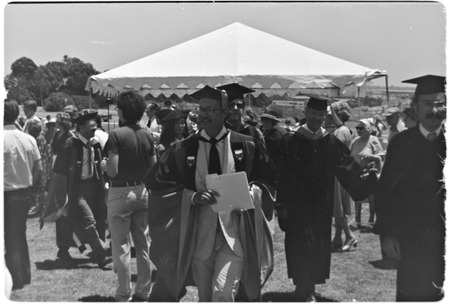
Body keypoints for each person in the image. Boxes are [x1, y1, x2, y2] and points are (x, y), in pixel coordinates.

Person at [146, 85, 276, 302]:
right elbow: (157, 184)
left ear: (225, 113)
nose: (202, 115)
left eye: (210, 110)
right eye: (201, 109)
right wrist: (191, 197)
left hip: (234, 237)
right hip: (198, 237)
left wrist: (250, 193)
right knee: (206, 297)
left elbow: (270, 180)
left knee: (222, 293)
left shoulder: (246, 146)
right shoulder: (184, 149)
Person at [276, 94, 378, 301]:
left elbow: (347, 167)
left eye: (321, 114)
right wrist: (282, 204)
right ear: (305, 112)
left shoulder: (330, 141)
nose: (316, 118)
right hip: (297, 204)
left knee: (317, 244)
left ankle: (309, 287)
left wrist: (366, 178)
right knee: (299, 244)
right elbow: (281, 175)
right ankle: (301, 286)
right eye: (313, 113)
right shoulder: (290, 140)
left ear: (326, 116)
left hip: (321, 205)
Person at [374, 75, 446, 301]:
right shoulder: (402, 144)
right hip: (411, 238)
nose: (435, 109)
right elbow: (386, 192)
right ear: (415, 107)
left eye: (441, 103)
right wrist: (387, 234)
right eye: (427, 104)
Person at [105, 91, 156, 302]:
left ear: (122, 110)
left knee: (121, 246)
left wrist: (104, 167)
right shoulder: (147, 134)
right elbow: (153, 167)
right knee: (143, 244)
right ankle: (143, 291)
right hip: (142, 190)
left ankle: (123, 293)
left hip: (120, 192)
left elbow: (113, 170)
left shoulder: (116, 134)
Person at [52, 109, 111, 268]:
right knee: (88, 220)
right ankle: (101, 255)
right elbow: (59, 171)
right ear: (81, 127)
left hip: (93, 187)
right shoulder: (70, 145)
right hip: (75, 189)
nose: (95, 127)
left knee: (96, 218)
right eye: (91, 125)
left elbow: (100, 164)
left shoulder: (96, 145)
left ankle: (94, 251)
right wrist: (60, 196)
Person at [4, 100, 43, 290]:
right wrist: (31, 187)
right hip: (23, 192)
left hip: (6, 193)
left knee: (8, 238)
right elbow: (39, 168)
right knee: (19, 234)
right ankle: (24, 274)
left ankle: (14, 277)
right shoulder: (28, 138)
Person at [325, 101, 357, 253]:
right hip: (341, 173)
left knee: (338, 209)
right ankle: (337, 238)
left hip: (338, 174)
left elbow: (333, 153)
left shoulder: (340, 131)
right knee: (338, 209)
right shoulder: (343, 130)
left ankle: (350, 236)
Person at [349, 119, 384, 228]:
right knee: (357, 196)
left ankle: (371, 219)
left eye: (361, 128)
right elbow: (349, 154)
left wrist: (371, 157)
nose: (359, 130)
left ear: (368, 129)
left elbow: (381, 155)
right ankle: (357, 219)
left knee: (371, 197)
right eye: (357, 128)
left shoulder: (373, 140)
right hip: (357, 172)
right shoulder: (355, 141)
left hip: (370, 172)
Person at [27, 120, 51, 217]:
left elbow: (40, 154)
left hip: (42, 164)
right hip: (41, 164)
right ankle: (41, 207)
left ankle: (40, 208)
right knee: (39, 186)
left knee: (40, 185)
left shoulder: (39, 138)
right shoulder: (37, 138)